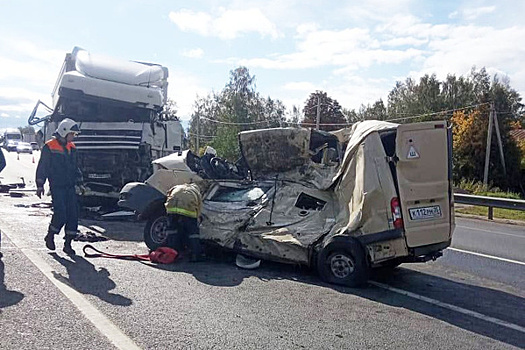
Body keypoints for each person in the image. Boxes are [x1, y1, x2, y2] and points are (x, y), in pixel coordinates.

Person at [36, 118, 83, 255]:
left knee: (73, 214)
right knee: (61, 213)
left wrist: (81, 184)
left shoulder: (72, 147)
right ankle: (50, 235)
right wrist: (40, 184)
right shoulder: (49, 146)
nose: (73, 137)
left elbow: (76, 168)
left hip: (70, 186)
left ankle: (68, 244)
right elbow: (43, 167)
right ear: (64, 132)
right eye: (72, 134)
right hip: (57, 186)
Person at [164, 182, 205, 262]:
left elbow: (168, 194)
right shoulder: (196, 192)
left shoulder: (178, 186)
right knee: (193, 234)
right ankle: (195, 255)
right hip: (188, 210)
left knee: (172, 230)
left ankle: (172, 252)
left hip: (171, 208)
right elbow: (199, 207)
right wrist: (197, 218)